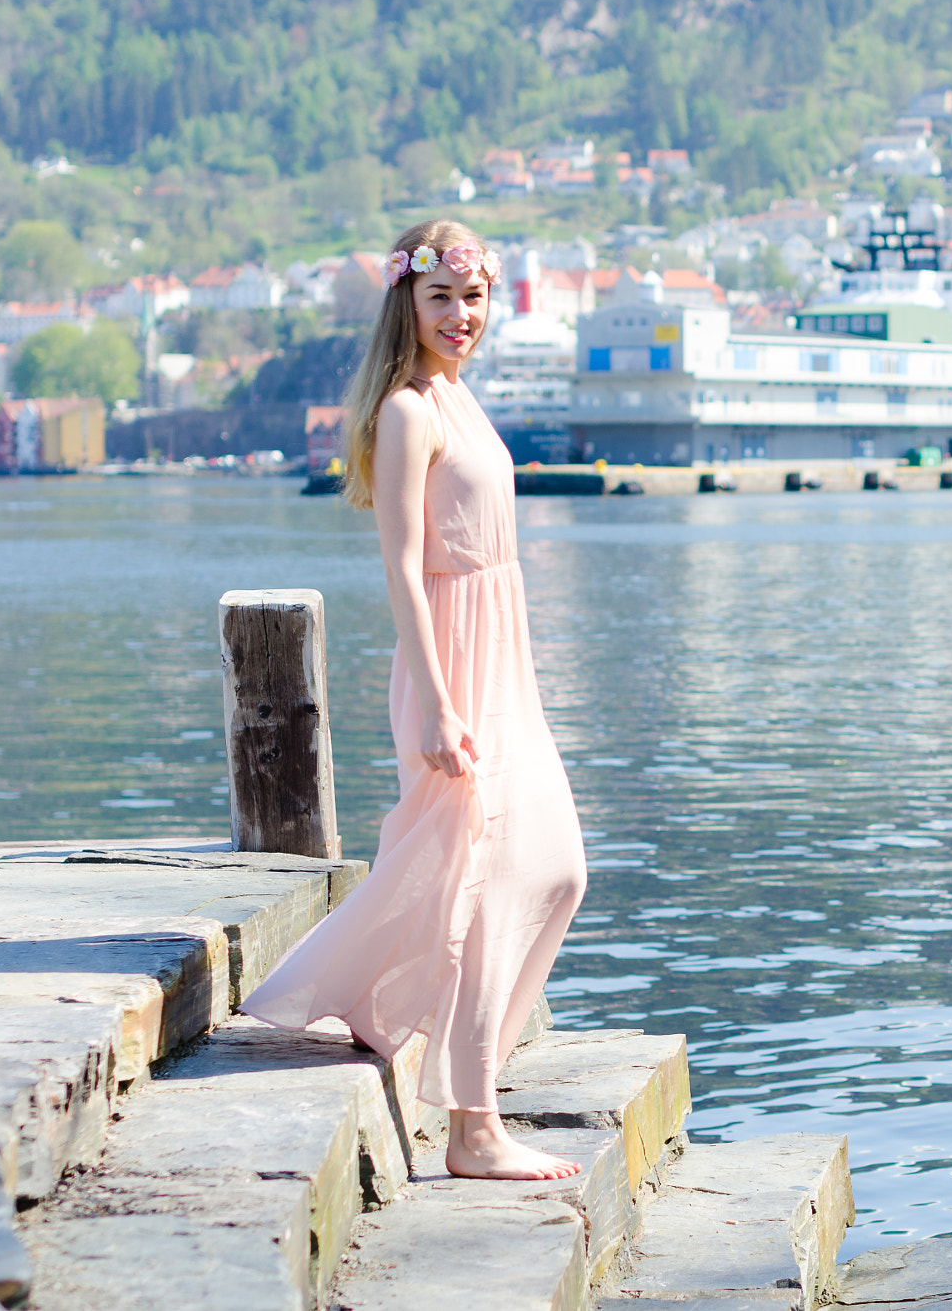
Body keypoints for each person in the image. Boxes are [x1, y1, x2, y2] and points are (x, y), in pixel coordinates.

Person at [242, 219, 587, 1182]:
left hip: (502, 658)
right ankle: (473, 1127)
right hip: (451, 665)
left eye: (474, 297)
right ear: (407, 302)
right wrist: (436, 700)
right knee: (492, 872)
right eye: (442, 297)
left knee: (555, 869)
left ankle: (376, 1003)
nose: (461, 314)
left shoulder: (460, 397)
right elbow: (401, 564)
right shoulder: (407, 412)